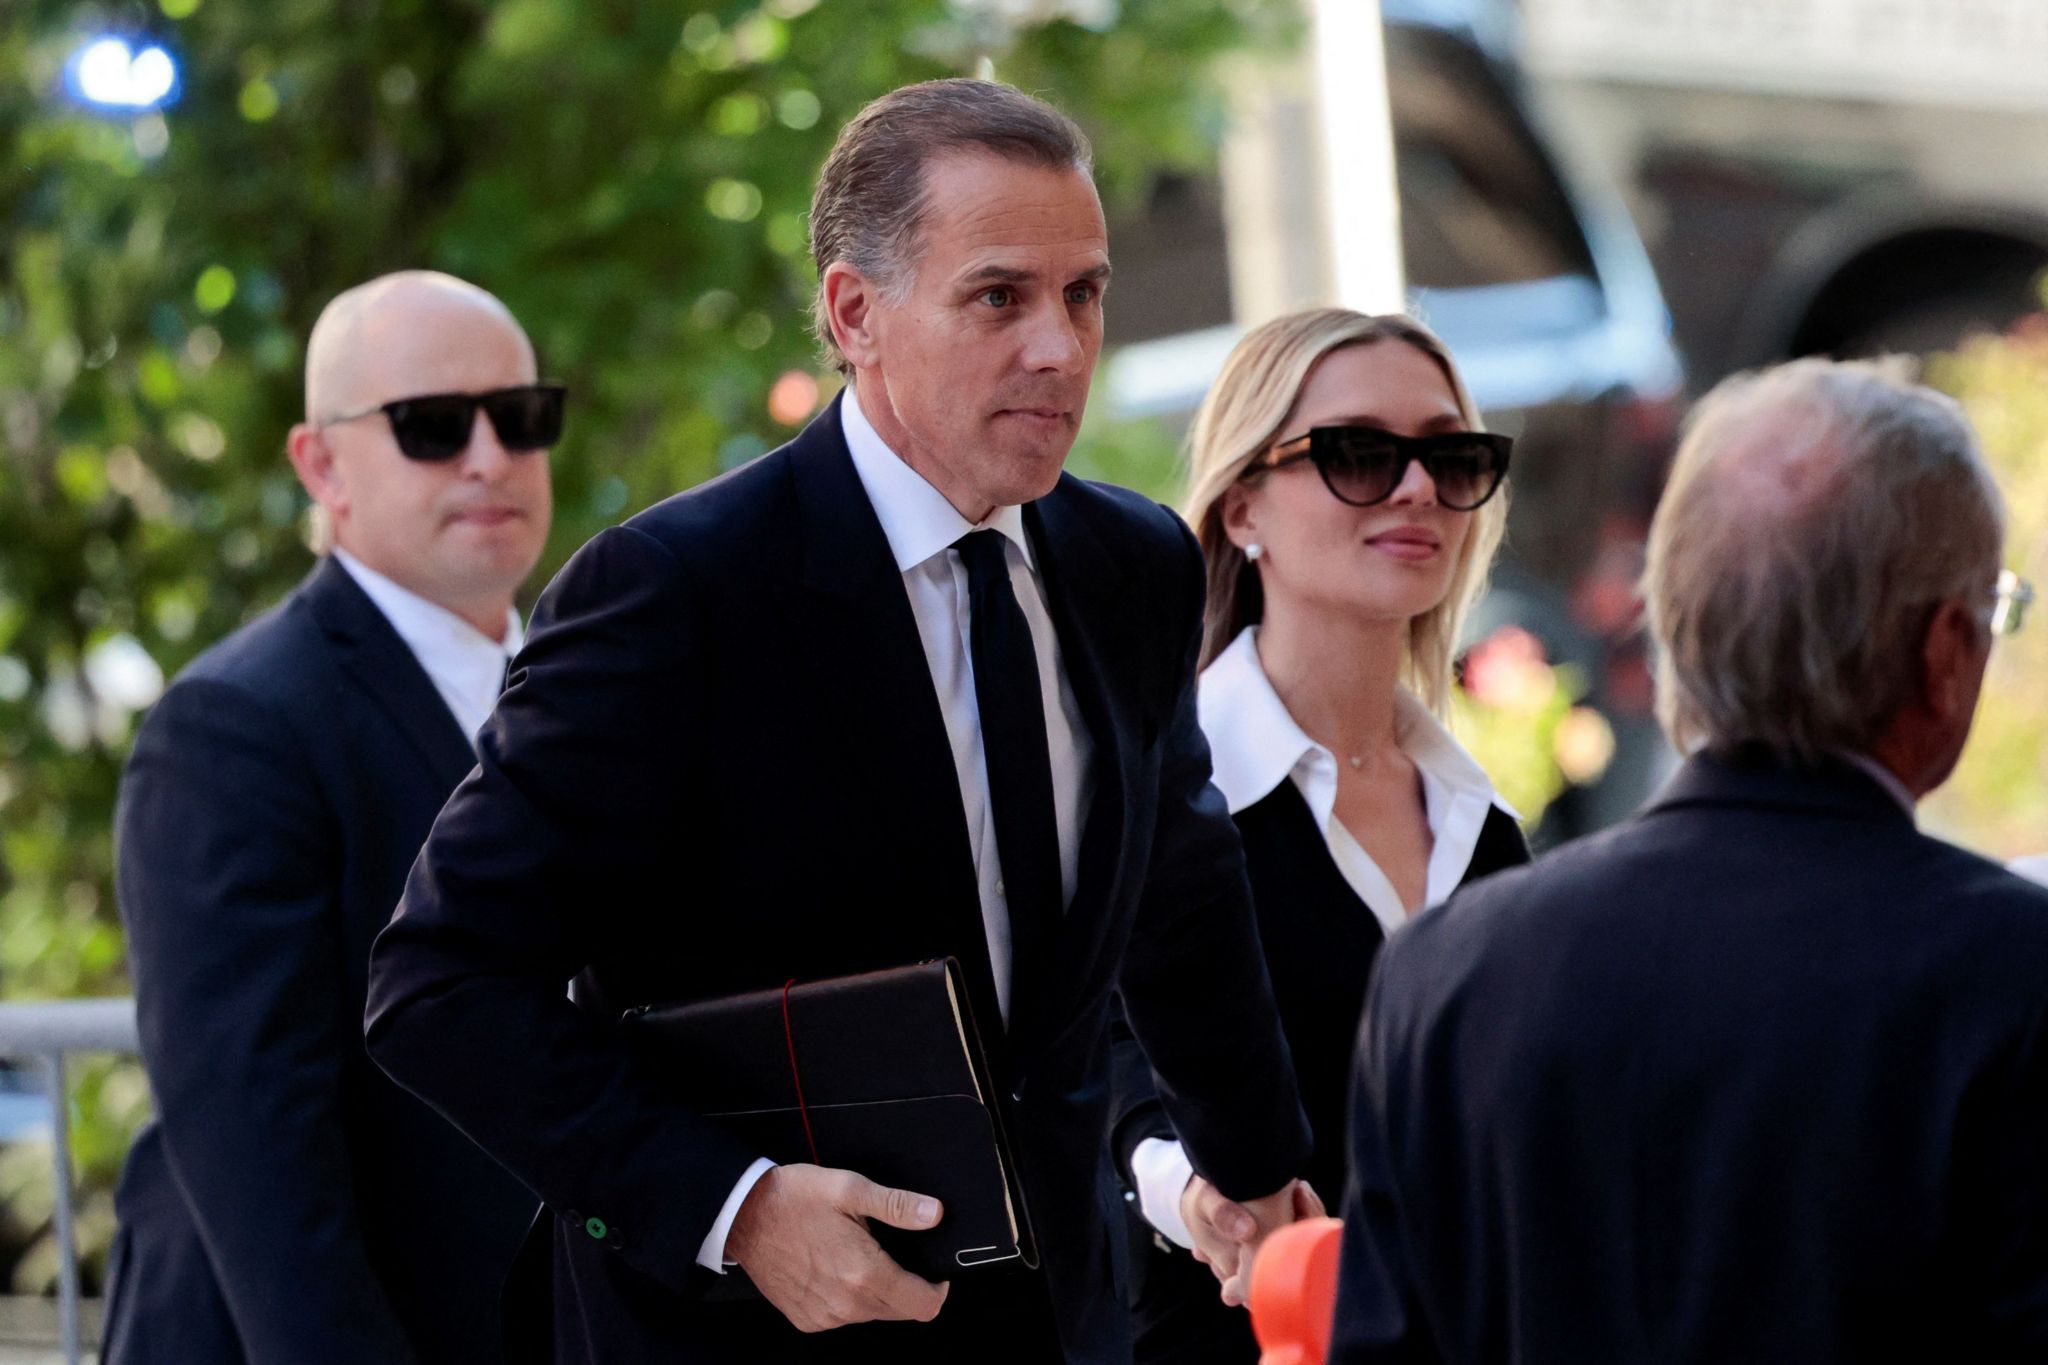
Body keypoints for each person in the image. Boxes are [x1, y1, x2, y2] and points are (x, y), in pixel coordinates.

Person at [363, 78, 1314, 1365]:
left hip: (1060, 1325)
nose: (1059, 347)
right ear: (853, 313)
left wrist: (1254, 1173)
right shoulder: (677, 594)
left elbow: (1179, 908)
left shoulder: (1132, 564)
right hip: (742, 1333)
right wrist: (734, 1209)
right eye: (999, 296)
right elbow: (440, 983)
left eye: (1082, 294)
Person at [1331, 357, 2048, 1362]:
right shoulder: (2011, 978)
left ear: (1669, 626)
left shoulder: (1444, 975)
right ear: (1942, 654)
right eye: (1992, 616)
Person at [102, 271, 554, 1363]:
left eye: (522, 416)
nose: (489, 456)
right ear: (320, 465)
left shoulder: (578, 689)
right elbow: (258, 1150)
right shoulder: (233, 725)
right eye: (432, 426)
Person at [1103, 309, 1527, 1364]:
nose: (1418, 487)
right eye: (1357, 454)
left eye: (1450, 453)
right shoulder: (1148, 797)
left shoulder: (1487, 829)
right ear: (1241, 505)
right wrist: (1197, 1192)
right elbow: (1096, 1082)